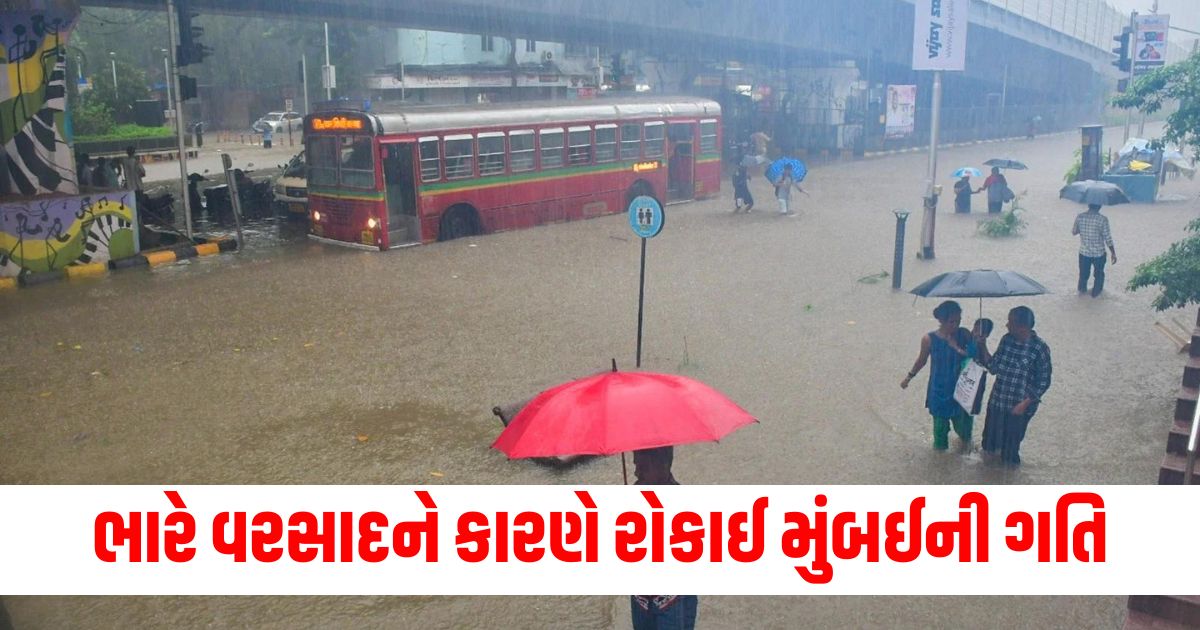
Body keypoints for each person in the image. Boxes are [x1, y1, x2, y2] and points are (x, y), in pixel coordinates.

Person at [630, 446, 697, 630]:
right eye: (636, 465)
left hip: (672, 600)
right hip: (641, 599)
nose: (636, 472)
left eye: (643, 467)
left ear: (664, 465)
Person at [901, 301, 982, 451]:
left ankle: (966, 456)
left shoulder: (963, 334)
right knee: (940, 433)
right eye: (952, 321)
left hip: (961, 391)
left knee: (964, 431)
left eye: (958, 321)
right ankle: (940, 467)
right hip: (938, 391)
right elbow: (921, 360)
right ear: (941, 321)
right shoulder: (929, 339)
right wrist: (909, 377)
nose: (956, 325)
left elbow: (974, 356)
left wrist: (970, 343)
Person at [977, 306, 1052, 466]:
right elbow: (993, 367)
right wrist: (983, 346)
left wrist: (1024, 404)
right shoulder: (1007, 340)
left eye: (1010, 322)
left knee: (1009, 454)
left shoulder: (1039, 348)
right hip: (997, 402)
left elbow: (1044, 382)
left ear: (1022, 327)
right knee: (988, 447)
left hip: (1019, 409)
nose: (1006, 325)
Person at [1072, 203, 1117, 297]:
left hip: (1084, 253)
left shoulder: (1080, 217)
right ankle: (1095, 295)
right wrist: (1113, 253)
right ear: (1099, 206)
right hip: (1099, 254)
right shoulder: (1102, 219)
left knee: (1083, 275)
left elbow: (1074, 232)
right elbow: (1108, 238)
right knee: (1099, 275)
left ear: (1088, 205)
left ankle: (1081, 293)